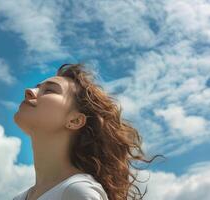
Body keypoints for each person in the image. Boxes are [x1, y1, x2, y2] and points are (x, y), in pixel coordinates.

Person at [13, 63, 165, 200]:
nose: (29, 91)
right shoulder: (20, 198)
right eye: (37, 87)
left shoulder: (77, 192)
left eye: (50, 90)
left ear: (75, 121)